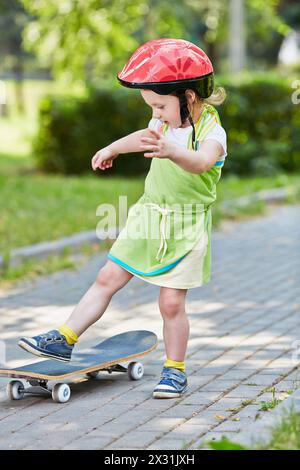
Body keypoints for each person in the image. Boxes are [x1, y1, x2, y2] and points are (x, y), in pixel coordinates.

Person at [18, 38, 227, 399]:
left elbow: (203, 162)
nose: (156, 113)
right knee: (107, 276)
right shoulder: (163, 122)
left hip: (186, 224)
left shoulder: (212, 131)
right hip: (149, 214)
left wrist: (173, 151)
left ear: (188, 97)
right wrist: (113, 148)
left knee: (171, 303)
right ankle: (63, 339)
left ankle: (175, 370)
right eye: (151, 106)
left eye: (159, 105)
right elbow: (146, 136)